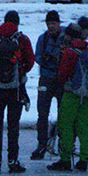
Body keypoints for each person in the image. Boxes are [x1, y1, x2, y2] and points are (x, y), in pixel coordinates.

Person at [0, 10, 35, 173]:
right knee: (13, 126)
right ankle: (13, 160)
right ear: (17, 23)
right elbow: (30, 61)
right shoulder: (22, 39)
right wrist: (21, 73)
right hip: (16, 89)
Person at [47, 23, 88, 172]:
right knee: (83, 126)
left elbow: (62, 74)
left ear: (70, 36)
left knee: (65, 125)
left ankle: (65, 159)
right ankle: (84, 159)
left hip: (71, 95)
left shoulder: (70, 52)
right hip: (86, 96)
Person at [31, 10, 66, 160]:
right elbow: (36, 56)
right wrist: (45, 59)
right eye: (48, 23)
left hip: (62, 80)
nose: (51, 26)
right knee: (42, 113)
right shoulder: (42, 39)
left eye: (53, 23)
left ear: (59, 23)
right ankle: (42, 145)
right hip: (45, 78)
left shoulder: (66, 37)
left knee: (64, 114)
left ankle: (65, 145)